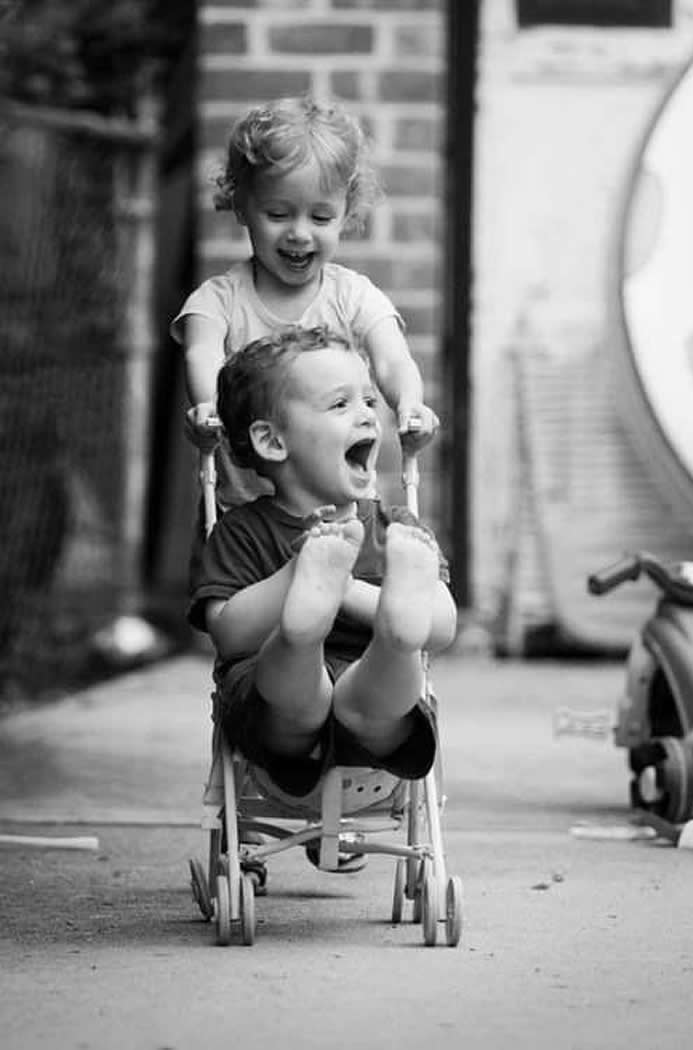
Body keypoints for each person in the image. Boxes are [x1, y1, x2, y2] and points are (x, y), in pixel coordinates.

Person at [188, 326, 457, 800]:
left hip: (374, 714)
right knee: (294, 686)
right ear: (272, 442)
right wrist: (299, 573)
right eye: (340, 405)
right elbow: (228, 634)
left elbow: (444, 624)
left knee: (385, 674)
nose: (367, 417)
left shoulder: (395, 530)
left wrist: (344, 590)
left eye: (370, 402)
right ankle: (301, 634)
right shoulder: (244, 532)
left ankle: (397, 632)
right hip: (281, 723)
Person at [171, 95, 439, 509]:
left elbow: (392, 360)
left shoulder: (353, 297)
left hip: (344, 512)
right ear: (241, 205)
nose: (299, 233)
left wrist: (409, 403)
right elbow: (202, 354)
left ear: (347, 213)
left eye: (320, 218)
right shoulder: (218, 302)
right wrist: (208, 407)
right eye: (278, 214)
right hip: (244, 517)